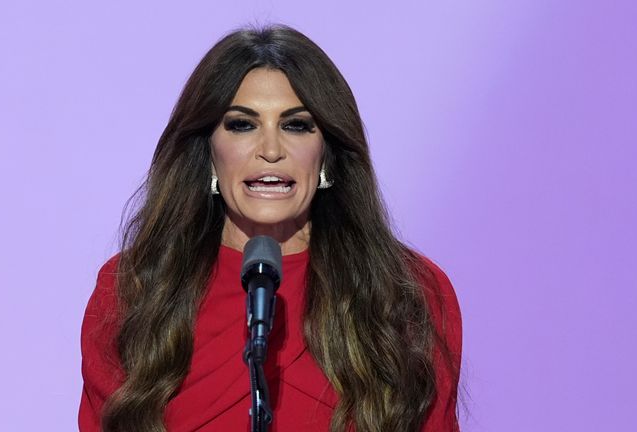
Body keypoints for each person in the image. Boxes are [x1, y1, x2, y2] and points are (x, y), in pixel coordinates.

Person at [79, 24, 462, 432]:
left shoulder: (408, 293)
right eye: (243, 125)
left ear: (327, 154)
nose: (272, 150)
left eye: (296, 125)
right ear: (208, 153)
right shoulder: (135, 290)